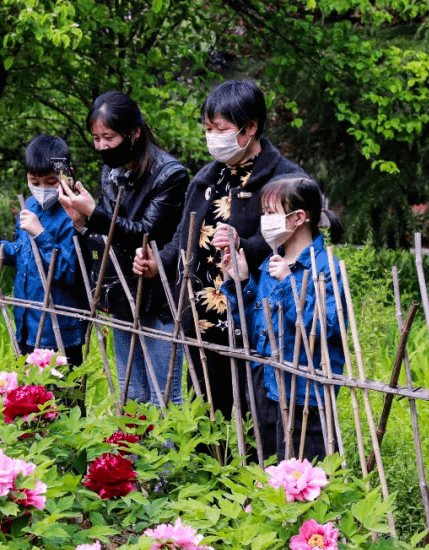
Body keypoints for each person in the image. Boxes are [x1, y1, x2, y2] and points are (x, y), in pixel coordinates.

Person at [133, 79, 307, 421]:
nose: (213, 136)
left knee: (257, 418)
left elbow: (297, 242)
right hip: (203, 321)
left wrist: (246, 244)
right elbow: (184, 238)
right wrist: (157, 264)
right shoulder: (206, 180)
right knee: (206, 418)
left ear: (250, 128)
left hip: (254, 323)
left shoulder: (287, 180)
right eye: (208, 127)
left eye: (221, 128)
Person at [57, 91, 188, 406]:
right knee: (131, 391)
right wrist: (81, 222)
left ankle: (170, 457)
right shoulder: (110, 171)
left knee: (163, 397)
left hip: (160, 294)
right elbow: (106, 237)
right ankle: (134, 456)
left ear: (135, 132)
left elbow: (146, 234)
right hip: (122, 291)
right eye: (96, 138)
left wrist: (95, 214)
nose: (102, 146)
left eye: (109, 137)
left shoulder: (170, 174)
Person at [220, 175, 345, 462]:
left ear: (298, 217)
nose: (264, 221)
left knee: (309, 481)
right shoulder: (270, 265)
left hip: (306, 396)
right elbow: (256, 331)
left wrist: (290, 284)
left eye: (270, 213)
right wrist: (242, 283)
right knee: (270, 477)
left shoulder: (326, 269)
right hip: (267, 390)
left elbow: (324, 326)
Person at [0, 134, 86, 367]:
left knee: (62, 401)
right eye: (34, 181)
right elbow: (25, 256)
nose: (42, 188)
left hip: (59, 332)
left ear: (67, 174)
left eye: (51, 182)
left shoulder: (74, 215)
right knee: (28, 400)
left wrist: (41, 234)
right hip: (26, 325)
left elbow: (70, 272)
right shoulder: (30, 206)